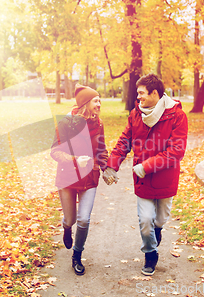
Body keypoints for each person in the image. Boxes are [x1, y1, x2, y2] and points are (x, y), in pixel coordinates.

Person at [103, 73, 188, 276]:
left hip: (165, 178)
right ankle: (150, 254)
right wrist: (111, 166)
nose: (138, 97)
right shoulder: (135, 114)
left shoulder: (176, 115)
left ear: (155, 93)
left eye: (141, 93)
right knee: (145, 221)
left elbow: (176, 151)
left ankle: (157, 230)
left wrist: (147, 166)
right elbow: (125, 140)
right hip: (142, 180)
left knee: (159, 219)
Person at [50, 84, 108, 276]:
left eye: (99, 100)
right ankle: (67, 227)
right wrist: (75, 160)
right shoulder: (65, 123)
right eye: (96, 101)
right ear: (85, 103)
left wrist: (106, 168)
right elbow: (55, 151)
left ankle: (77, 255)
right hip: (68, 177)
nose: (99, 104)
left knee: (83, 219)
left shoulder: (98, 123)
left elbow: (101, 149)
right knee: (72, 219)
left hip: (90, 177)